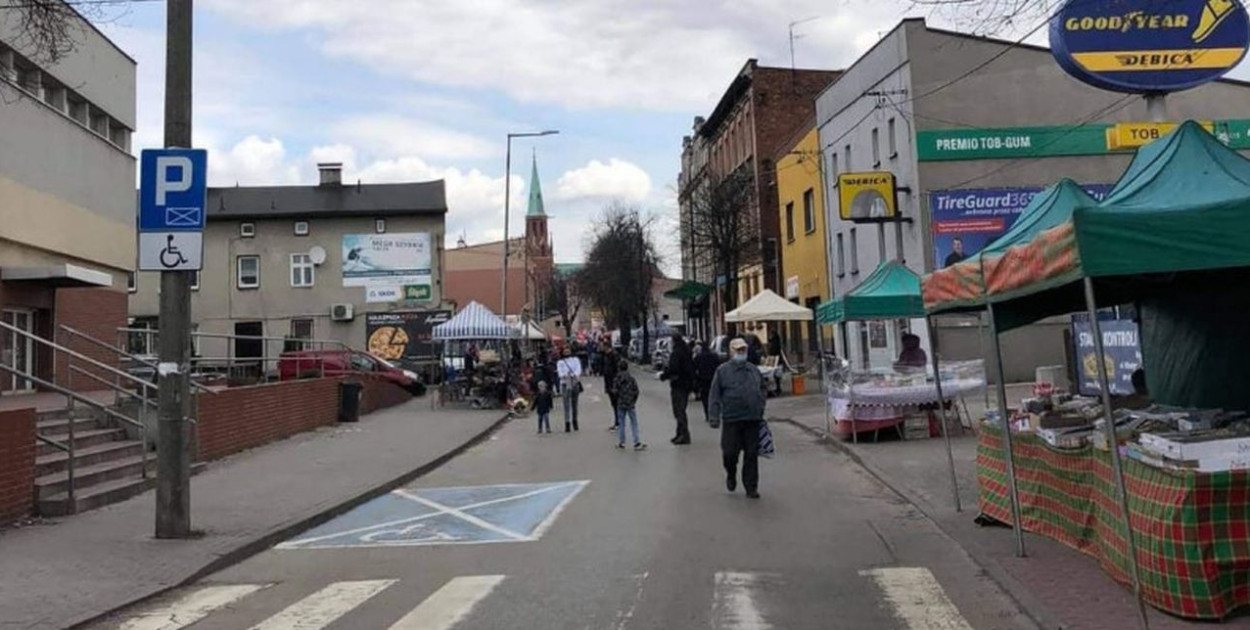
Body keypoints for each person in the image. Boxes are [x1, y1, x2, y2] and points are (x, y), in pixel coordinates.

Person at [709, 338, 767, 499]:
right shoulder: (722, 371)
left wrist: (760, 405)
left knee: (751, 454)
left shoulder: (753, 370)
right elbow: (714, 394)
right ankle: (731, 473)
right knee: (730, 453)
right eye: (739, 350)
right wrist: (714, 416)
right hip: (732, 419)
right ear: (732, 352)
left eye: (744, 350)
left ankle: (751, 487)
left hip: (752, 418)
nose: (742, 353)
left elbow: (762, 388)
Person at [660, 334, 695, 445]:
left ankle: (684, 435)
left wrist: (664, 375)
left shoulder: (676, 353)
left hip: (678, 384)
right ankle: (679, 433)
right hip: (686, 385)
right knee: (681, 409)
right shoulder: (686, 351)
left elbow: (673, 368)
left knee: (679, 411)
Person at [613, 359, 646, 451]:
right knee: (634, 423)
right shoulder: (631, 379)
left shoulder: (617, 379)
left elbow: (614, 392)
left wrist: (618, 399)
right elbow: (636, 391)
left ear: (619, 368)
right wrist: (633, 400)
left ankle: (621, 442)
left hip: (621, 403)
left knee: (621, 423)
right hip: (630, 403)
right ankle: (636, 442)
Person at [693, 341, 722, 423]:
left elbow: (694, 367)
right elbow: (718, 365)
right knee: (714, 396)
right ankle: (715, 413)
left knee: (705, 397)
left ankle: (707, 414)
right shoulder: (714, 356)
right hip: (713, 378)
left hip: (703, 379)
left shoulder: (699, 356)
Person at [557, 347, 583, 432]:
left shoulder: (575, 360)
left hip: (574, 382)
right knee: (566, 404)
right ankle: (567, 423)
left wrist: (573, 375)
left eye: (568, 350)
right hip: (565, 384)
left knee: (574, 404)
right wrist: (566, 375)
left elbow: (578, 369)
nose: (567, 352)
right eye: (565, 351)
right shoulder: (560, 362)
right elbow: (560, 373)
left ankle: (575, 421)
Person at [601, 345, 621, 430]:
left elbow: (616, 371)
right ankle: (617, 422)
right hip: (609, 383)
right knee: (614, 404)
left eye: (603, 347)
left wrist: (615, 385)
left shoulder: (614, 356)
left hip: (613, 384)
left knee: (617, 404)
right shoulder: (606, 356)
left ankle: (619, 422)